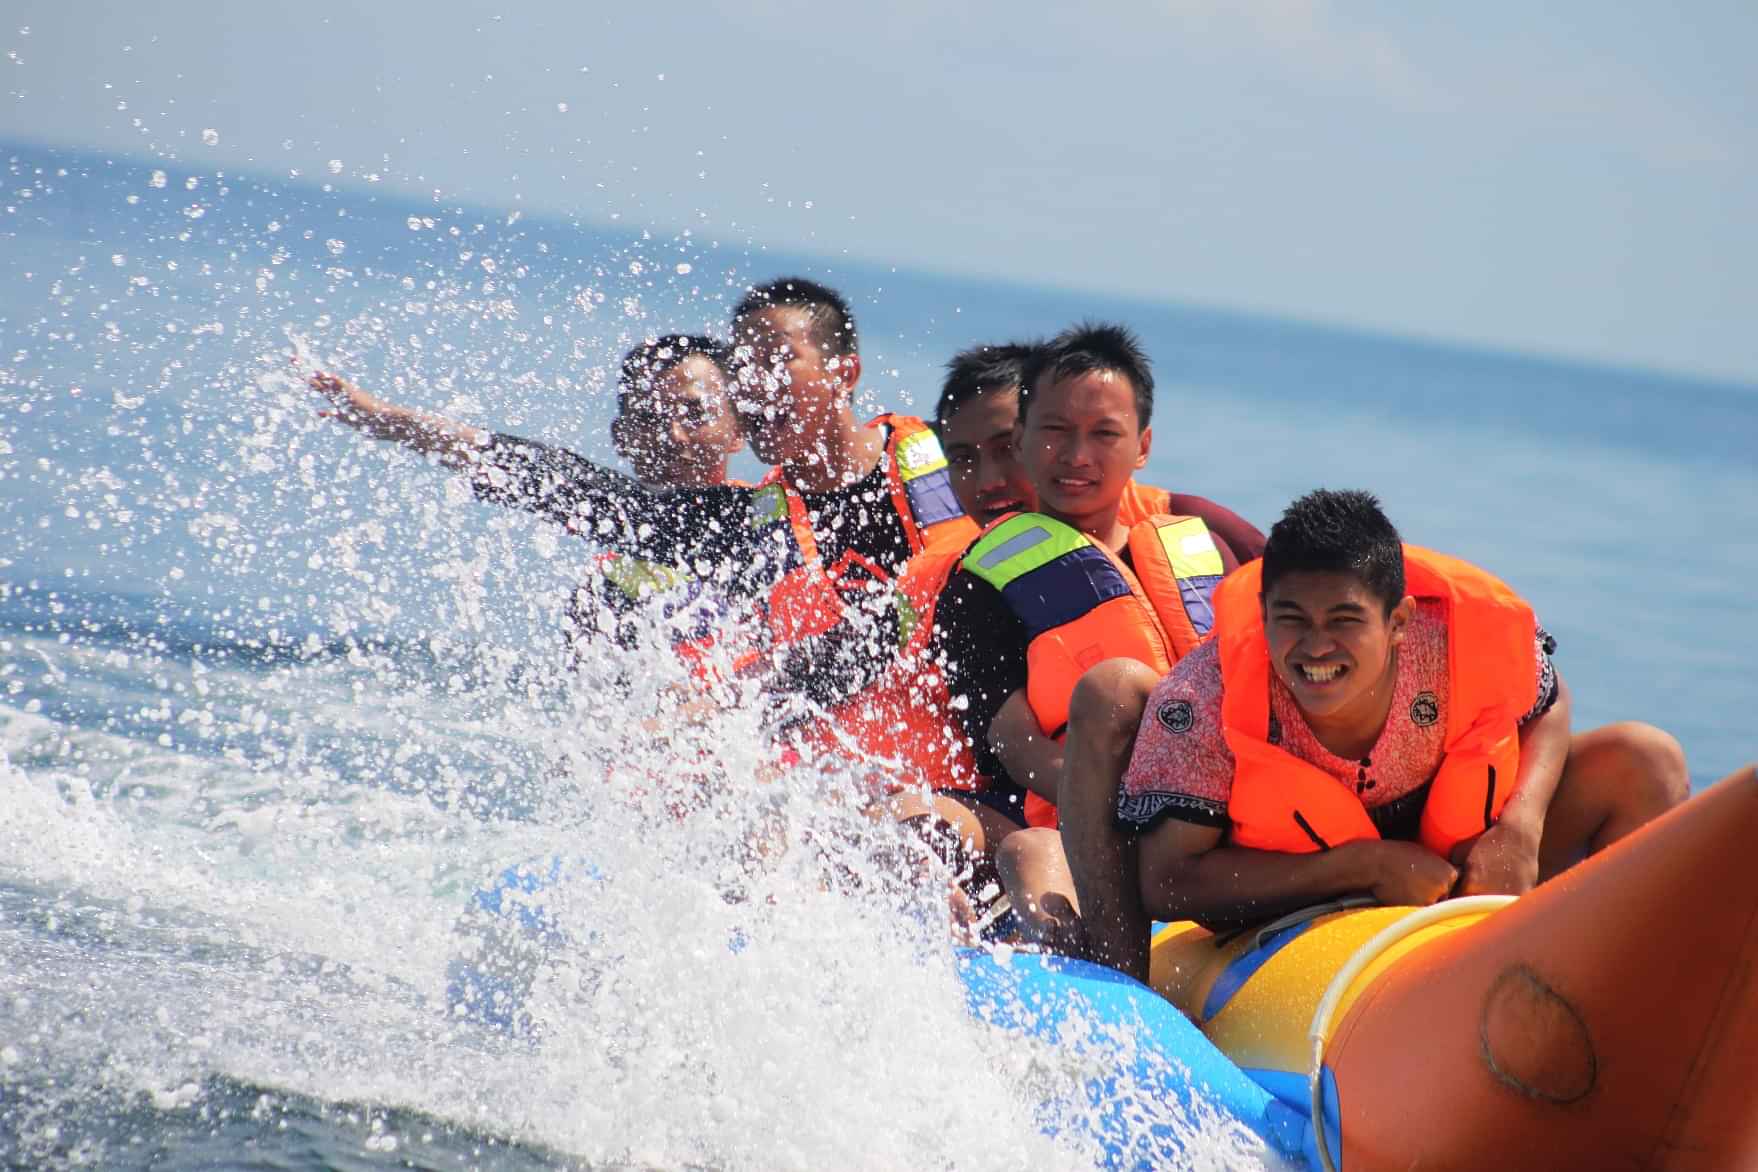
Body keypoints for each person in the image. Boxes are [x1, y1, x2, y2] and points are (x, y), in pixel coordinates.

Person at [1058, 488, 1691, 981]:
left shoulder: (1460, 642)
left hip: (1468, 869)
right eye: (1292, 620)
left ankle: (1627, 998)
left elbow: (1547, 700)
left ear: (1398, 622)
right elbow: (1167, 883)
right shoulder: (1206, 697)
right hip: (1287, 906)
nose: (1316, 646)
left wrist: (1518, 830)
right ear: (1262, 616)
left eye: (1344, 620)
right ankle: (1122, 995)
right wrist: (1363, 868)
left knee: (1646, 760)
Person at [924, 323, 1263, 937]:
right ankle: (1086, 977)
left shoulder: (1204, 547)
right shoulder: (977, 586)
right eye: (1055, 434)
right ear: (1027, 439)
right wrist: (1145, 806)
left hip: (1223, 816)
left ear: (1142, 446)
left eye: (1103, 435)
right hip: (1078, 827)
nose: (1077, 457)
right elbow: (1018, 748)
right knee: (1032, 853)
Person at [309, 333, 744, 656]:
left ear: (739, 428)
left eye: (695, 413)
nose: (672, 434)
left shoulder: (772, 522)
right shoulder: (606, 589)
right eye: (649, 418)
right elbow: (533, 470)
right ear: (622, 438)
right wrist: (391, 422)